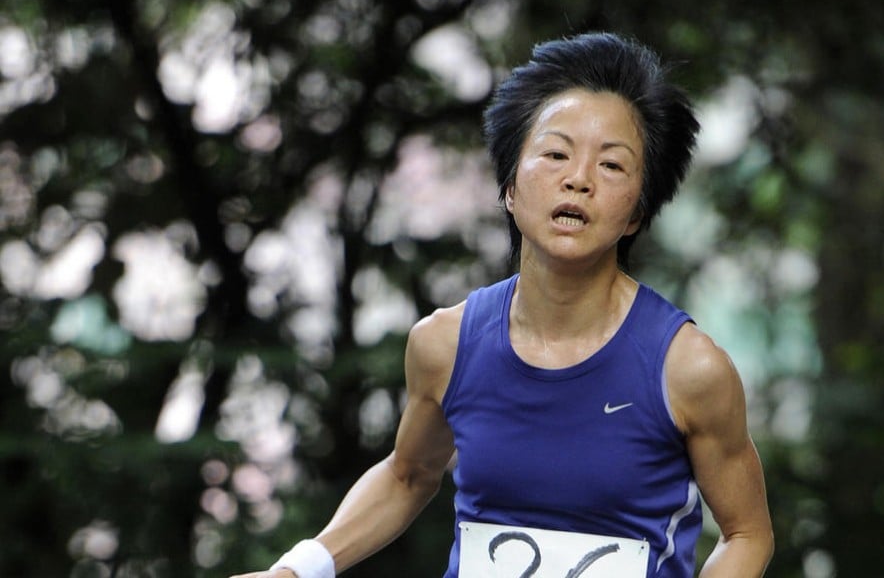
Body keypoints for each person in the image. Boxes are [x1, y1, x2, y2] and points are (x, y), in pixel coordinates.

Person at [232, 32, 773, 578]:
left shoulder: (688, 368)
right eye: (556, 154)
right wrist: (296, 570)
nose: (578, 179)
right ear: (511, 189)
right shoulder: (444, 344)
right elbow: (407, 476)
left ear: (636, 212)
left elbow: (747, 534)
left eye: (611, 166)